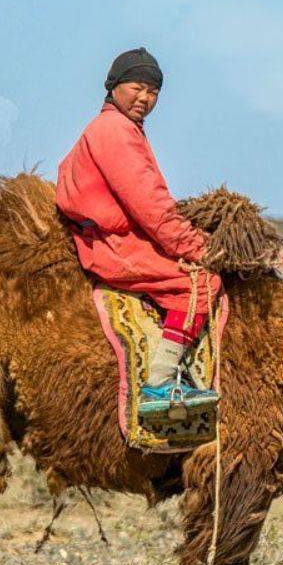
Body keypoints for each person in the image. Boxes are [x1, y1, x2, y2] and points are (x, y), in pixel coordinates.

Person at [55, 47, 221, 416]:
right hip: (115, 245)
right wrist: (198, 248)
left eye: (154, 92)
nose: (146, 98)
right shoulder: (114, 131)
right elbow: (151, 205)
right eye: (138, 87)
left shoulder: (116, 128)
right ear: (114, 85)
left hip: (115, 239)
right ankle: (160, 385)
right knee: (199, 283)